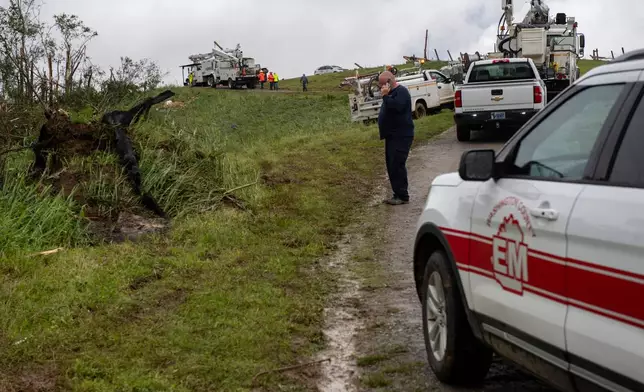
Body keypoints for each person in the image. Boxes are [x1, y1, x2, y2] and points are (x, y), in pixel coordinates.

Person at [377, 71, 414, 205]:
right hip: (392, 136)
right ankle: (396, 193)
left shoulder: (401, 92)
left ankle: (403, 195)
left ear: (388, 82)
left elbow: (396, 107)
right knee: (391, 165)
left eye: (382, 84)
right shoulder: (390, 93)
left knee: (397, 164)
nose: (380, 87)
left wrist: (386, 96)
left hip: (402, 135)